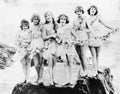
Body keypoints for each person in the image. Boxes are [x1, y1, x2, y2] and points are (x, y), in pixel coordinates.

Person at [87, 5, 115, 76]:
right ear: (89, 10)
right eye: (91, 9)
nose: (93, 10)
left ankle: (97, 68)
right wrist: (94, 35)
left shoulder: (98, 17)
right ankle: (95, 70)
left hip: (99, 37)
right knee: (93, 55)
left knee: (97, 55)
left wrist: (112, 28)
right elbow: (90, 28)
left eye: (94, 9)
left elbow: (105, 24)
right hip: (91, 38)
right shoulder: (87, 19)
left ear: (96, 11)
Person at [55, 14, 80, 86]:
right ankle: (67, 79)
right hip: (62, 47)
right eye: (61, 19)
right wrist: (58, 40)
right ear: (59, 20)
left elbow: (76, 37)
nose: (62, 20)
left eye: (64, 19)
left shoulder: (69, 28)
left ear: (66, 21)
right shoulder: (58, 29)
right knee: (65, 63)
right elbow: (58, 39)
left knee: (70, 63)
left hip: (70, 47)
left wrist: (73, 42)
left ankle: (71, 80)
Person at [72, 6, 92, 76]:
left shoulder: (85, 19)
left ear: (82, 12)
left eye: (80, 11)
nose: (79, 13)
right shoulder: (74, 20)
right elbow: (72, 30)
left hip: (84, 38)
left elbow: (90, 29)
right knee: (79, 56)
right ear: (76, 12)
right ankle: (82, 69)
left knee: (83, 55)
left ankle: (86, 70)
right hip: (76, 39)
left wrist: (84, 30)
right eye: (77, 11)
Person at [42, 11, 57, 85]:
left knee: (55, 63)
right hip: (49, 45)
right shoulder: (44, 26)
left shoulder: (56, 24)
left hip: (56, 45)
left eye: (49, 15)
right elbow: (44, 37)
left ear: (52, 16)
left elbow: (60, 32)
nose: (48, 17)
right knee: (50, 63)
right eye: (46, 16)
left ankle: (54, 79)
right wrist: (51, 36)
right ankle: (50, 79)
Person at [30, 14, 44, 84]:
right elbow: (30, 37)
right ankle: (38, 76)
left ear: (39, 20)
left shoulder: (41, 25)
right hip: (34, 45)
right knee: (36, 64)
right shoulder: (31, 27)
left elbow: (44, 34)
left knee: (41, 63)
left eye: (37, 19)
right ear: (32, 19)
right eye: (34, 19)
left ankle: (40, 78)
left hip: (40, 44)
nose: (35, 20)